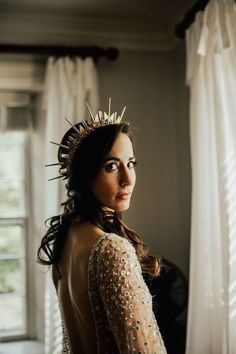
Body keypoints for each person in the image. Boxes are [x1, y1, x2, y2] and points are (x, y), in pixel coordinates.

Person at [37, 100, 167, 354]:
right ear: (85, 175)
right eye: (111, 166)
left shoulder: (66, 238)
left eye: (131, 163)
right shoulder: (111, 249)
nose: (128, 179)